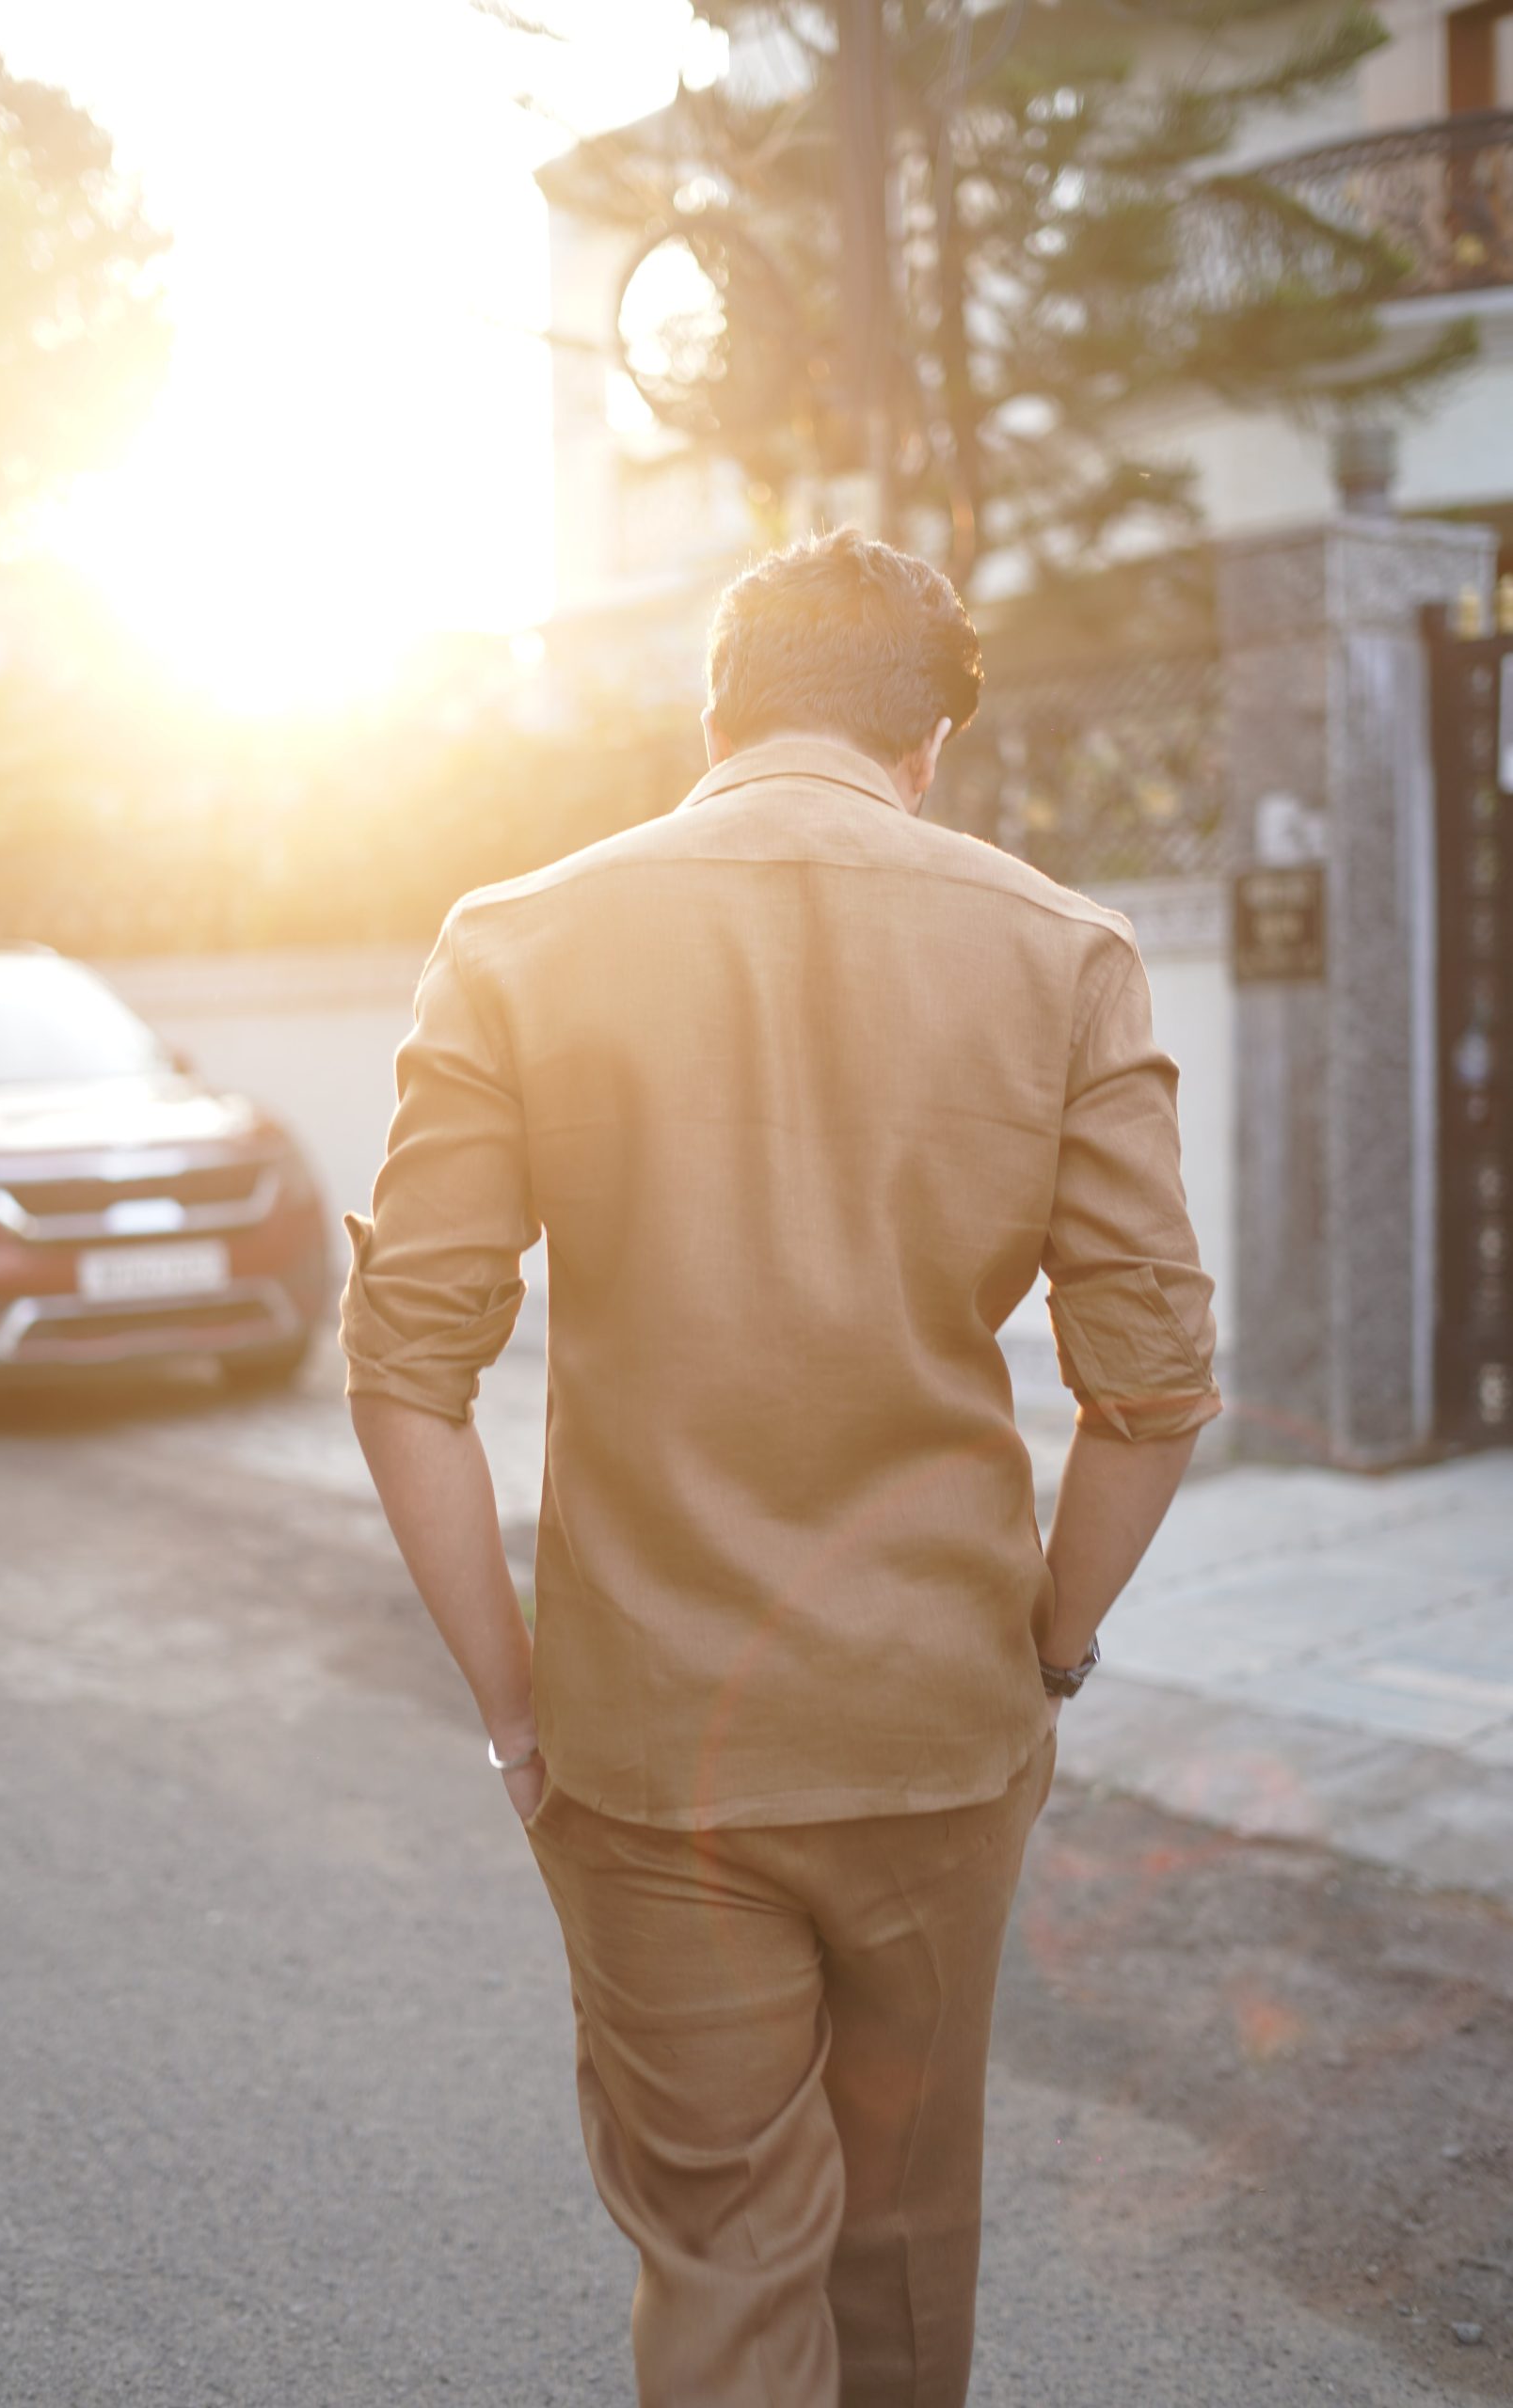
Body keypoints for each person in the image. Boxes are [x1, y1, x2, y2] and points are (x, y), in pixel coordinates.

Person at [342, 528, 1221, 2408]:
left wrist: (516, 1698)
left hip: (646, 1745)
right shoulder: (1063, 949)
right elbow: (1151, 1392)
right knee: (904, 2242)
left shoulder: (513, 938)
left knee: (729, 2249)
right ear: (927, 744)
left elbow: (404, 1365)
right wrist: (1046, 1644)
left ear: (714, 709)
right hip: (940, 1720)